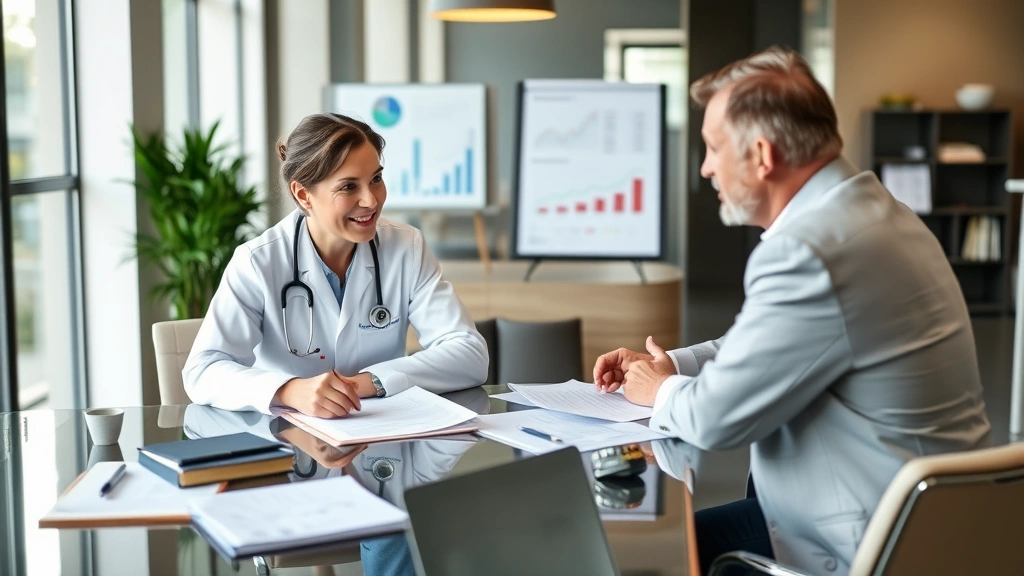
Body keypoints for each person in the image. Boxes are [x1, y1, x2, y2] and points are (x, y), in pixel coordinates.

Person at [593, 47, 992, 575]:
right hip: (926, 521)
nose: (706, 167)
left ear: (762, 155)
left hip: (872, 543)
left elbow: (714, 421)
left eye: (713, 147)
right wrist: (675, 366)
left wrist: (659, 390)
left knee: (637, 560)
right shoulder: (875, 214)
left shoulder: (811, 250)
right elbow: (771, 345)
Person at [184, 113, 488, 416]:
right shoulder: (258, 261)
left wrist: (365, 383)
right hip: (289, 436)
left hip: (384, 430)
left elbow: (469, 353)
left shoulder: (406, 247)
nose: (371, 200)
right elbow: (203, 370)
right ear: (303, 195)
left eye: (376, 179)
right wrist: (290, 390)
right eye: (348, 187)